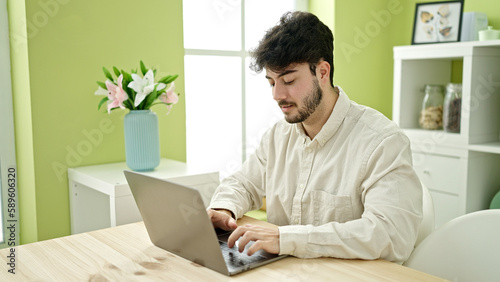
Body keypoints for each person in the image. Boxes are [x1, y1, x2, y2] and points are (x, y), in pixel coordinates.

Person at [207, 11, 422, 263]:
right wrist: (224, 207)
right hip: (287, 272)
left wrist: (286, 238)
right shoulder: (278, 136)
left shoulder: (382, 142)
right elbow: (243, 182)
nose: (277, 95)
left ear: (322, 72)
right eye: (271, 82)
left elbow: (391, 235)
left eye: (288, 80)